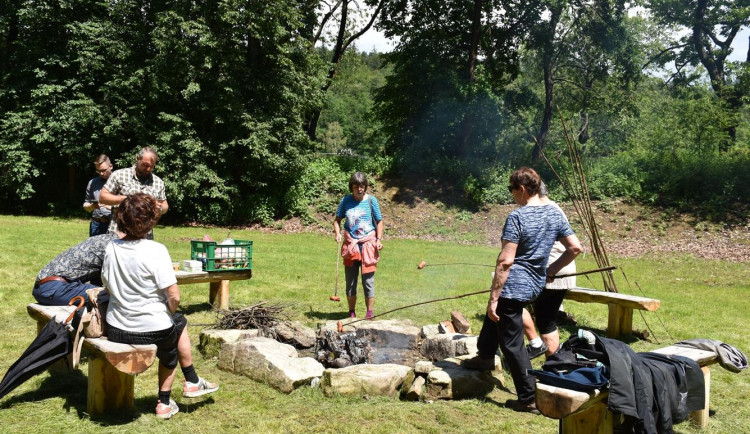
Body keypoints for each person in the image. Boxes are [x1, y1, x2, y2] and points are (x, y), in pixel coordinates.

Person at [464, 167, 582, 414]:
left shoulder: (517, 217)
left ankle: (528, 398)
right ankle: (484, 356)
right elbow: (575, 248)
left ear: (523, 189)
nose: (511, 195)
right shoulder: (554, 213)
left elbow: (506, 261)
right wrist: (549, 271)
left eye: (511, 190)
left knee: (512, 343)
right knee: (497, 318)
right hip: (535, 284)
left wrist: (493, 297)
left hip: (514, 286)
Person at [101, 193, 217, 419]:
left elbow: (106, 285)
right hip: (151, 328)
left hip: (116, 328)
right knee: (174, 332)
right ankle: (166, 400)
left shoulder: (110, 248)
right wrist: (167, 312)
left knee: (177, 323)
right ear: (150, 220)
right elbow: (174, 296)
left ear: (122, 218)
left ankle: (192, 380)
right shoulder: (156, 250)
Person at [333, 172, 384, 319]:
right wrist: (337, 234)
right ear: (351, 187)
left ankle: (369, 314)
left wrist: (379, 239)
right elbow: (337, 220)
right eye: (356, 187)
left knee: (368, 281)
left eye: (362, 186)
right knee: (350, 282)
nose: (360, 189)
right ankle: (351, 313)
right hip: (351, 246)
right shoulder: (345, 201)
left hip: (368, 245)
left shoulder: (371, 201)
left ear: (365, 187)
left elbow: (379, 221)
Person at [32, 232, 120, 305]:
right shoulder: (113, 246)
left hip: (41, 288)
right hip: (56, 289)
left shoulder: (102, 238)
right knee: (117, 296)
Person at [99, 147, 168, 239]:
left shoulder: (158, 182)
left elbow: (164, 205)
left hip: (145, 237)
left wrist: (159, 207)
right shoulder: (119, 175)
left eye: (152, 166)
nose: (148, 169)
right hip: (118, 234)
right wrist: (129, 199)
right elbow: (103, 197)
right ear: (137, 158)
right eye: (145, 165)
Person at [83, 154, 114, 236]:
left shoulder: (119, 181)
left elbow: (126, 206)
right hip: (96, 224)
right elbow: (86, 204)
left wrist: (110, 207)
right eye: (98, 171)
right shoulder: (92, 182)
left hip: (113, 224)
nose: (101, 173)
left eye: (104, 170)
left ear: (111, 166)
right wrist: (92, 206)